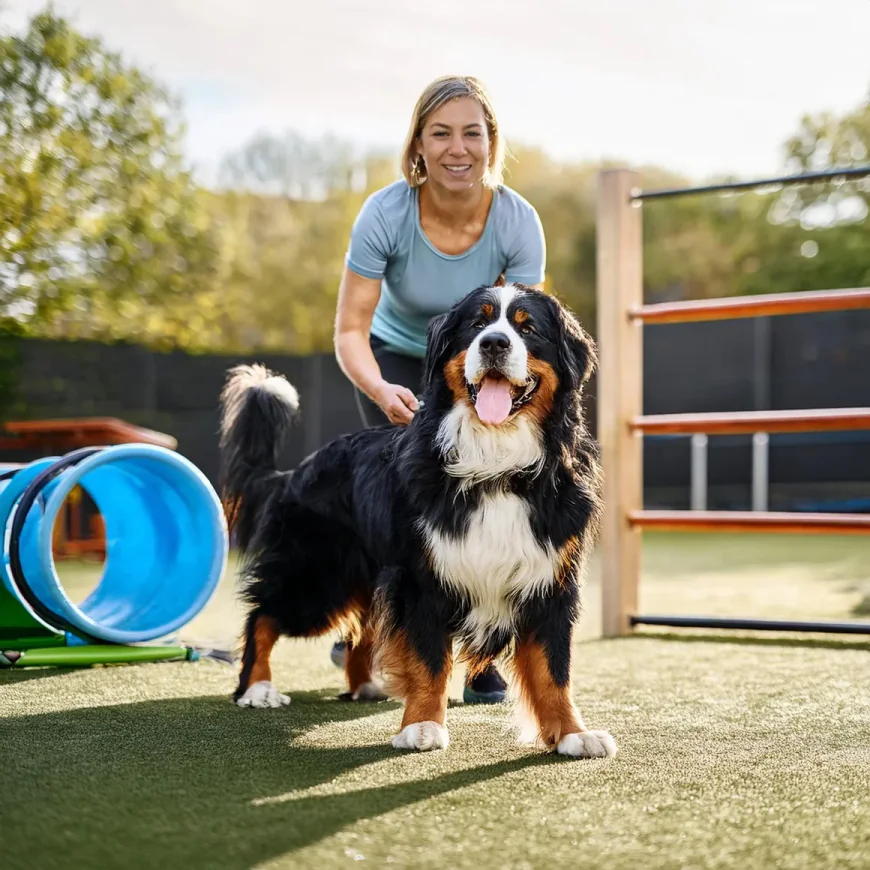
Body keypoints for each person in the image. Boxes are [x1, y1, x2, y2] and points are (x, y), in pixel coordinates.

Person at [331, 74, 546, 704]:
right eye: (440, 133)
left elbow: (527, 326)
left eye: (471, 133)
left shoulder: (517, 219)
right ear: (418, 146)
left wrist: (497, 384)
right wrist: (379, 388)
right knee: (394, 513)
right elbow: (349, 330)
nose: (458, 148)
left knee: (489, 507)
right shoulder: (386, 213)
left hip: (479, 361)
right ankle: (373, 631)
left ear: (491, 143)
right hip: (395, 362)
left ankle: (482, 655)